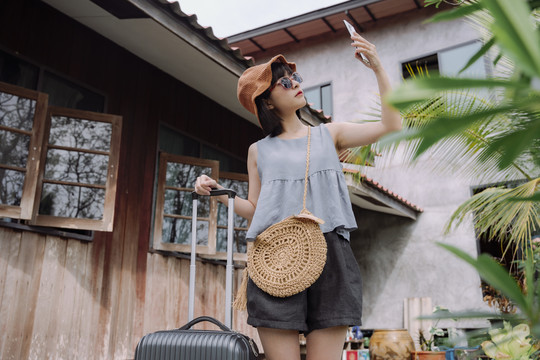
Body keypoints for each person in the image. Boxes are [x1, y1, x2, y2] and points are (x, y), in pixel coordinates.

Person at [195, 32, 402, 360]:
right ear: (267, 101)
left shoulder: (329, 135)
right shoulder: (258, 151)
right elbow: (258, 209)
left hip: (330, 252)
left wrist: (377, 67)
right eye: (285, 83)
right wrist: (218, 192)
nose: (295, 83)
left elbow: (392, 124)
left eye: (295, 77)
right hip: (276, 256)